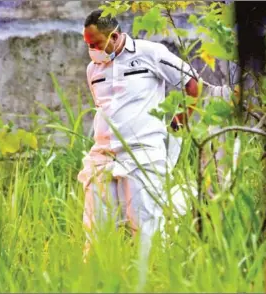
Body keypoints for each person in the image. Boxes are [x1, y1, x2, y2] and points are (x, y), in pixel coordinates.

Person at [78, 9, 230, 287]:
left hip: (143, 154)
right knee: (97, 230)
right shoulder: (93, 70)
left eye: (96, 43)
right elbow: (105, 109)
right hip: (103, 157)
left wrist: (183, 118)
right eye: (87, 43)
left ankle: (147, 284)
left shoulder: (150, 53)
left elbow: (192, 83)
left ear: (114, 36)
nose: (91, 49)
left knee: (145, 229)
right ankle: (98, 284)